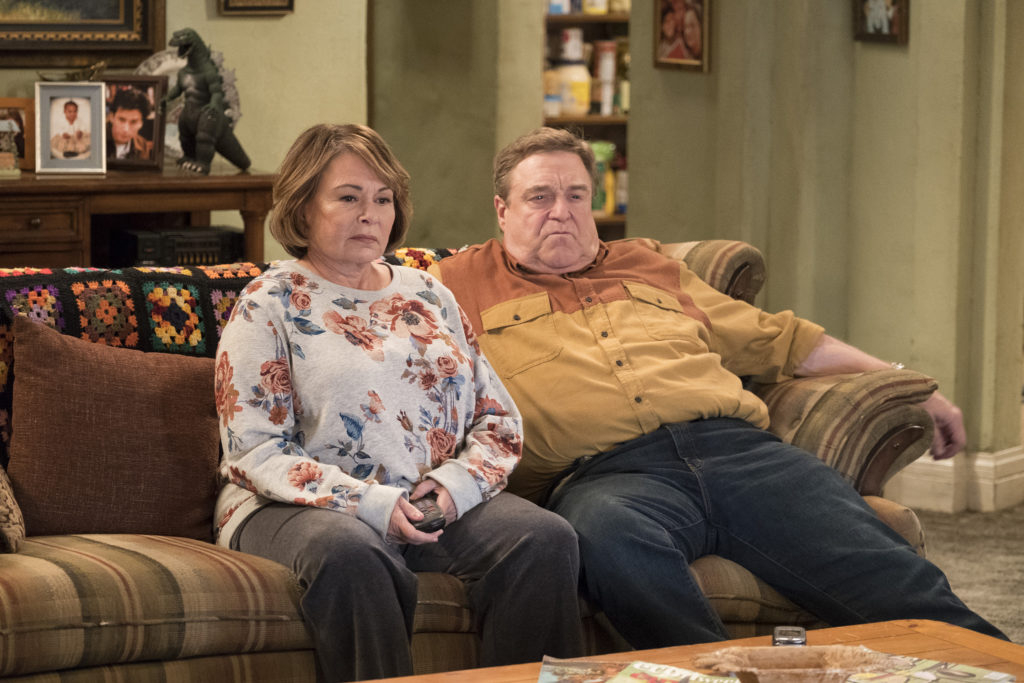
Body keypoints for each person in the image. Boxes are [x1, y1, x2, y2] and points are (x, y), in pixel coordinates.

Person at [430, 126, 1008, 650]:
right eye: (540, 197)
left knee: (895, 576)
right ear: (503, 210)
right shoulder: (453, 285)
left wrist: (909, 385)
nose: (561, 211)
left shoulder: (649, 265)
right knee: (608, 538)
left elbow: (783, 341)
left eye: (576, 195)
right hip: (606, 479)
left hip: (742, 455)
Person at [213, 123, 584, 682]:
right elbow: (254, 451)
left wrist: (456, 487)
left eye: (383, 199)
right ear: (303, 208)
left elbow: (497, 420)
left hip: (428, 499)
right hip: (296, 507)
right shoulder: (267, 304)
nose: (370, 215)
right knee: (351, 554)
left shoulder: (427, 293)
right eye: (348, 198)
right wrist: (368, 503)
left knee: (545, 538)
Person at [106, 87, 154, 161]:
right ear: (111, 117)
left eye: (133, 122)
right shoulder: (95, 139)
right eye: (121, 120)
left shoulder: (143, 146)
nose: (126, 129)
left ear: (141, 123)